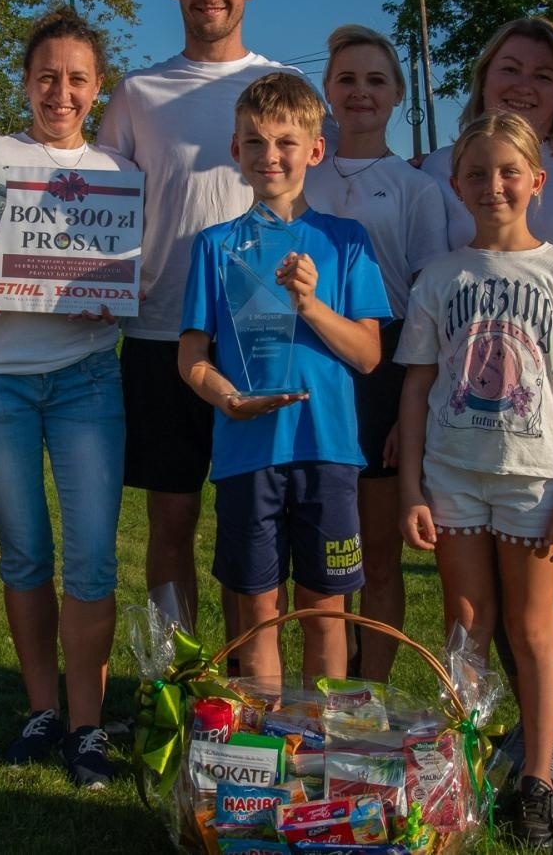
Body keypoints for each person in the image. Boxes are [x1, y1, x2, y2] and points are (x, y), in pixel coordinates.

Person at [96, 0, 309, 643]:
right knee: (172, 520)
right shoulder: (137, 94)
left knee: (259, 528)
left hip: (265, 336)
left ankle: (253, 684)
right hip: (162, 337)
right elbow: (93, 206)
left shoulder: (284, 90)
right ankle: (178, 680)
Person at [0, 8, 134, 788]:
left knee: (90, 558)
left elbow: (127, 282)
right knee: (24, 553)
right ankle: (42, 708)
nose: (60, 91)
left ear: (96, 88)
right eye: (46, 75)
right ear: (24, 81)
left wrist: (106, 299)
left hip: (86, 376)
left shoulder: (118, 174)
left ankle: (87, 725)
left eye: (76, 78)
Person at [397, 111, 553, 848]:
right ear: (456, 185)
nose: (493, 185)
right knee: (466, 623)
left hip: (531, 480)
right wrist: (413, 488)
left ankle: (540, 776)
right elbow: (418, 387)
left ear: (537, 182)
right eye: (477, 173)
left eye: (509, 171)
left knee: (531, 625)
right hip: (453, 475)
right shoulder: (441, 276)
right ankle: (462, 764)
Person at [178, 72, 389, 680]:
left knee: (325, 611)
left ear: (315, 150)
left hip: (328, 451)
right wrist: (226, 396)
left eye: (285, 142)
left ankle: (320, 746)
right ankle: (267, 752)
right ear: (235, 151)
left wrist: (311, 306)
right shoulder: (215, 245)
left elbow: (369, 355)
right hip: (248, 452)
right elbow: (191, 355)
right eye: (254, 142)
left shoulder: (346, 241)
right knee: (259, 610)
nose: (270, 155)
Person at [307, 24, 447, 682]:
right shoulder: (301, 174)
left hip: (387, 366)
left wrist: (404, 412)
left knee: (380, 554)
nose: (360, 91)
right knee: (320, 548)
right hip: (310, 360)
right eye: (346, 79)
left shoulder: (415, 188)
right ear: (327, 91)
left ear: (396, 95)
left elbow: (429, 300)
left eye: (375, 80)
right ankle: (322, 685)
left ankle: (370, 694)